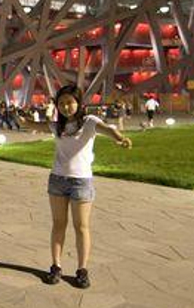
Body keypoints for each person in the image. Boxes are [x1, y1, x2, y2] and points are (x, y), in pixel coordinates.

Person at [46, 85, 131, 289]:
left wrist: (120, 139)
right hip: (57, 180)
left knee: (81, 227)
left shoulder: (89, 123)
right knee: (58, 225)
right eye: (62, 103)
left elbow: (108, 129)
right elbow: (35, 125)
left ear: (79, 103)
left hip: (81, 182)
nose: (66, 106)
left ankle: (82, 270)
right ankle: (56, 266)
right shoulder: (57, 126)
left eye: (70, 102)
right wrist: (22, 121)